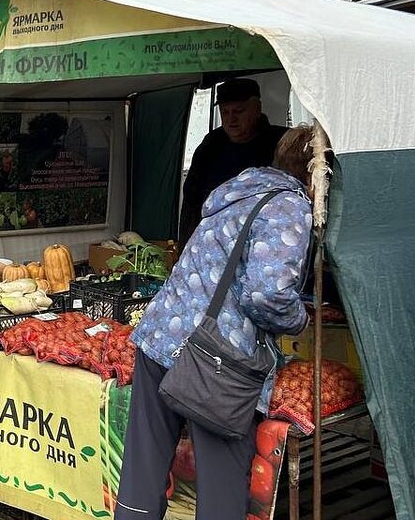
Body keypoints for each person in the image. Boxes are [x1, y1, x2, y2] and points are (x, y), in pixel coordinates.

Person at [115, 126, 315, 520]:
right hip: (217, 359)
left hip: (161, 336)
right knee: (222, 484)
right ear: (314, 175)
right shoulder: (289, 205)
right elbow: (266, 294)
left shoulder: (238, 192)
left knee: (143, 467)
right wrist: (300, 319)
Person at [179, 78, 288, 248]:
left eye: (239, 111)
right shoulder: (211, 145)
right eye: (225, 112)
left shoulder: (281, 143)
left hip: (265, 242)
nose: (231, 119)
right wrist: (186, 247)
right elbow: (191, 202)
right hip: (214, 244)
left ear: (257, 110)